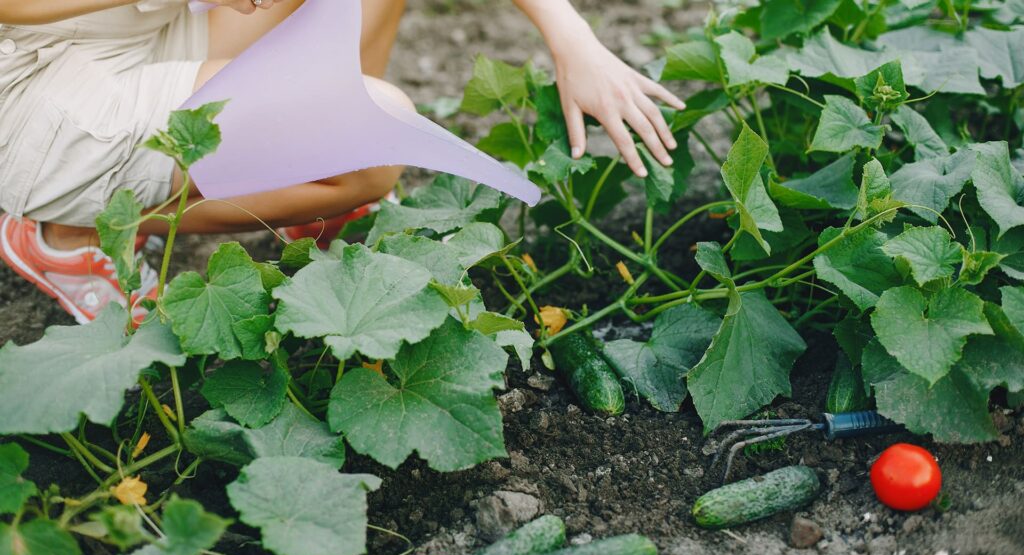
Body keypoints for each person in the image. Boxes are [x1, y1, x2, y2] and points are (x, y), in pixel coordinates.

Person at [0, 0, 685, 324]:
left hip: (132, 32)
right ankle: (73, 232)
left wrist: (573, 38)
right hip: (38, 94)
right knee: (377, 132)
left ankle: (311, 190)